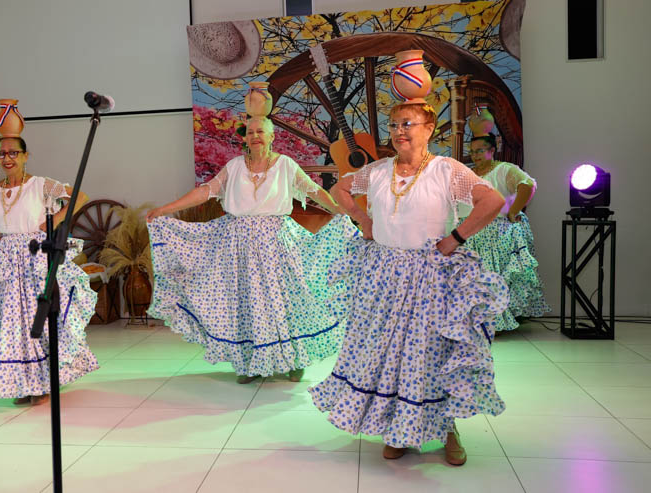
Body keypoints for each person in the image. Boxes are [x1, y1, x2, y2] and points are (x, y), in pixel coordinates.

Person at [309, 102, 509, 466]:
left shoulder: (447, 170)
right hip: (383, 275)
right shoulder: (378, 170)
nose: (399, 130)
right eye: (394, 124)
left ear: (429, 128)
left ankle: (448, 431)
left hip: (430, 276)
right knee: (388, 355)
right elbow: (339, 189)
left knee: (431, 354)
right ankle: (397, 429)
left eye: (408, 123)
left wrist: (457, 237)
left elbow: (492, 200)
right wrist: (361, 219)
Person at [146, 116, 356, 384]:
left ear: (272, 137)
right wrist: (165, 210)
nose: (256, 135)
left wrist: (342, 211)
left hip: (277, 244)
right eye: (252, 132)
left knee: (286, 301)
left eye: (262, 131)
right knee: (245, 304)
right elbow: (205, 192)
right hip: (237, 245)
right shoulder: (234, 166)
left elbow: (314, 191)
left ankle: (294, 359)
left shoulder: (285, 165)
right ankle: (251, 362)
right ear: (245, 138)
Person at [0, 136, 98, 405]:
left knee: (36, 318)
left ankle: (43, 382)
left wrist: (54, 221)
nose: (8, 158)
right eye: (3, 154)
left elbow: (80, 196)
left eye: (13, 153)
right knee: (10, 321)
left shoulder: (40, 184)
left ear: (25, 156)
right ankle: (22, 381)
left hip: (34, 257)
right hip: (5, 259)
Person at [462, 134, 550, 331]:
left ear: (492, 151)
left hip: (494, 233)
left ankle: (494, 322)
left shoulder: (504, 169)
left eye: (480, 150)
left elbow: (527, 185)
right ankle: (474, 321)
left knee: (492, 278)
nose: (475, 155)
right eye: (473, 151)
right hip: (470, 232)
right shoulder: (468, 173)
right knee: (472, 279)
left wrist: (513, 211)